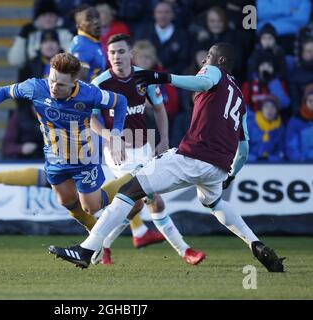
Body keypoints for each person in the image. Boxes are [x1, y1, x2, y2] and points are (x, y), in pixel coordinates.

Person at [48, 43, 286, 273]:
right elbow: (243, 149)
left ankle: (87, 250)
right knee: (215, 203)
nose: (204, 61)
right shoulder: (240, 99)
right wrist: (231, 175)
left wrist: (165, 77)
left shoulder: (215, 72)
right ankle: (256, 244)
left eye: (209, 56)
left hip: (192, 155)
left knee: (130, 190)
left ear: (221, 61)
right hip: (219, 166)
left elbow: (203, 81)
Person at [0, 53, 130, 232]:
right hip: (54, 158)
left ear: (74, 82)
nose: (53, 87)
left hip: (83, 159)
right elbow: (4, 91)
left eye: (60, 84)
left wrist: (115, 135)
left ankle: (132, 179)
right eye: (52, 80)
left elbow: (120, 101)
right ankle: (95, 233)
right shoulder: (36, 87)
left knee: (91, 207)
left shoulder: (90, 94)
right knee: (67, 202)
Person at [90, 34, 205, 265]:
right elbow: (92, 119)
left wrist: (163, 141)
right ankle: (186, 252)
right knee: (154, 200)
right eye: (112, 52)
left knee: (134, 204)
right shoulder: (100, 83)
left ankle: (103, 245)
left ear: (130, 53)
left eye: (121, 51)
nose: (116, 56)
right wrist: (109, 137)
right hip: (118, 152)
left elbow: (160, 110)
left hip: (144, 147)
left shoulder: (144, 78)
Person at [134, 1, 190, 74]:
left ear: (173, 14)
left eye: (167, 12)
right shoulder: (143, 32)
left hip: (172, 78)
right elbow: (137, 55)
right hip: (145, 75)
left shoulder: (182, 35)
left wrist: (166, 75)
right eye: (159, 12)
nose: (163, 15)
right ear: (154, 14)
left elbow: (184, 61)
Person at [70, 5, 106, 82]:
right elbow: (79, 82)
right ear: (79, 26)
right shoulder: (81, 46)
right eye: (89, 19)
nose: (96, 21)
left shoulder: (93, 42)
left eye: (97, 16)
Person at [247, 96, 285, 162]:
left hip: (270, 165)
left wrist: (269, 159)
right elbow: (242, 148)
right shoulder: (251, 124)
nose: (269, 110)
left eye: (273, 107)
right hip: (251, 164)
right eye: (266, 106)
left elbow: (281, 150)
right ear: (262, 109)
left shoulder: (280, 128)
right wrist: (254, 158)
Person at [285, 84, 313, 161]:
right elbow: (291, 148)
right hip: (302, 165)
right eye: (310, 100)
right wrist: (302, 161)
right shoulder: (295, 121)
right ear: (305, 101)